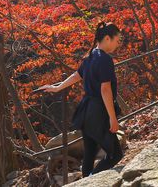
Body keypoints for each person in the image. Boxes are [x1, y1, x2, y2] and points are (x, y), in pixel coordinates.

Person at [38, 22, 123, 177]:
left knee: (90, 153)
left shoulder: (90, 57)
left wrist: (57, 88)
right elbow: (105, 90)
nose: (118, 45)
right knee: (115, 154)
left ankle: (86, 179)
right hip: (99, 111)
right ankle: (91, 180)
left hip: (85, 111)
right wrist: (112, 118)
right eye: (117, 40)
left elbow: (76, 75)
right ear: (107, 38)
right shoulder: (105, 59)